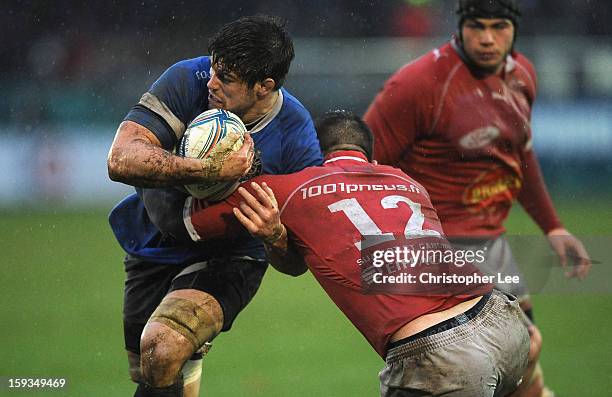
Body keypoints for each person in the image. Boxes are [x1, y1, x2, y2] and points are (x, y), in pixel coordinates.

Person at [155, 110, 532, 396]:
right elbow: (314, 255)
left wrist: (172, 163)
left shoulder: (287, 188)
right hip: (505, 324)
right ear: (369, 154)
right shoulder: (409, 182)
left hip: (441, 358)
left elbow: (182, 221)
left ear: (312, 151)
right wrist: (277, 238)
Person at [363, 1, 591, 396]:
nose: (487, 38)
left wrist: (552, 226)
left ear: (514, 28)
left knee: (525, 372)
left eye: (498, 26)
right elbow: (360, 169)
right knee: (472, 378)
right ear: (460, 27)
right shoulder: (417, 85)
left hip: (493, 247)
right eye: (476, 26)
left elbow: (520, 155)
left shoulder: (522, 76)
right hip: (438, 254)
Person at [106, 15, 323, 397]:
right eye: (212, 67)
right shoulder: (187, 79)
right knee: (148, 371)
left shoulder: (296, 139)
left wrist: (275, 235)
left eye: (226, 77)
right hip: (154, 237)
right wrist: (208, 168)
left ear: (264, 86)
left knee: (161, 347)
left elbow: (296, 263)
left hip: (229, 257)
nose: (212, 82)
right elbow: (120, 159)